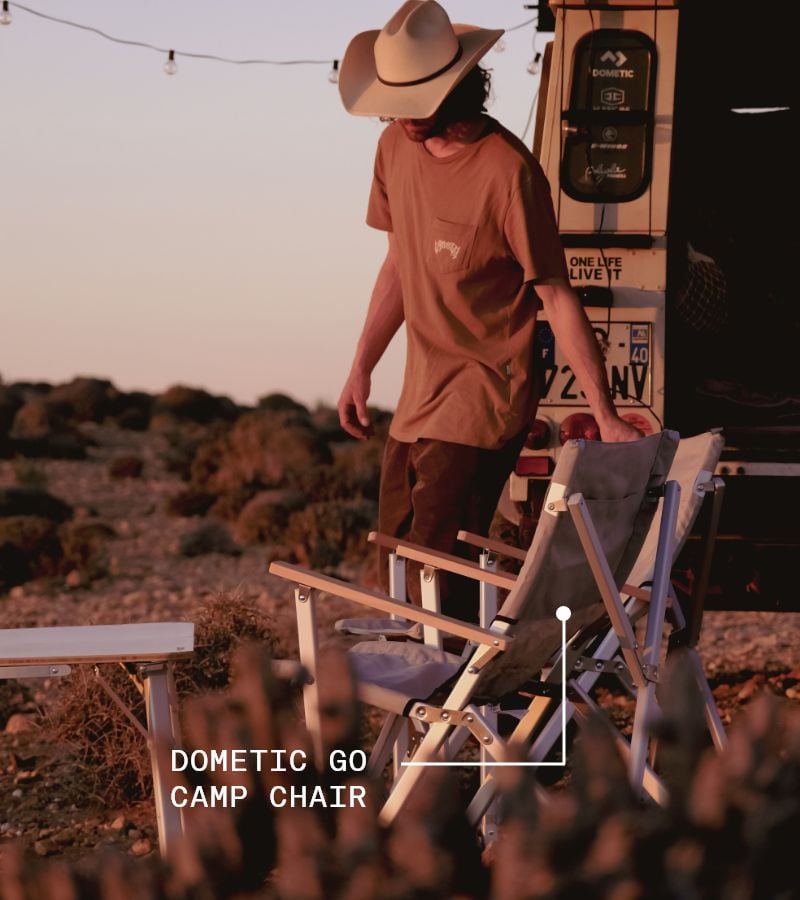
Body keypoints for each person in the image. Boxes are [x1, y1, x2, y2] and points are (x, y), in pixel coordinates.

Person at [336, 1, 641, 617]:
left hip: (485, 392)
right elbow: (400, 262)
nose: (404, 115)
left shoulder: (508, 173)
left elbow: (555, 293)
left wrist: (603, 413)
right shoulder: (394, 149)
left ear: (459, 87)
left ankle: (460, 701)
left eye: (419, 97)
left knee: (437, 565)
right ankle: (446, 696)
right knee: (396, 558)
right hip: (419, 395)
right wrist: (361, 367)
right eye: (396, 100)